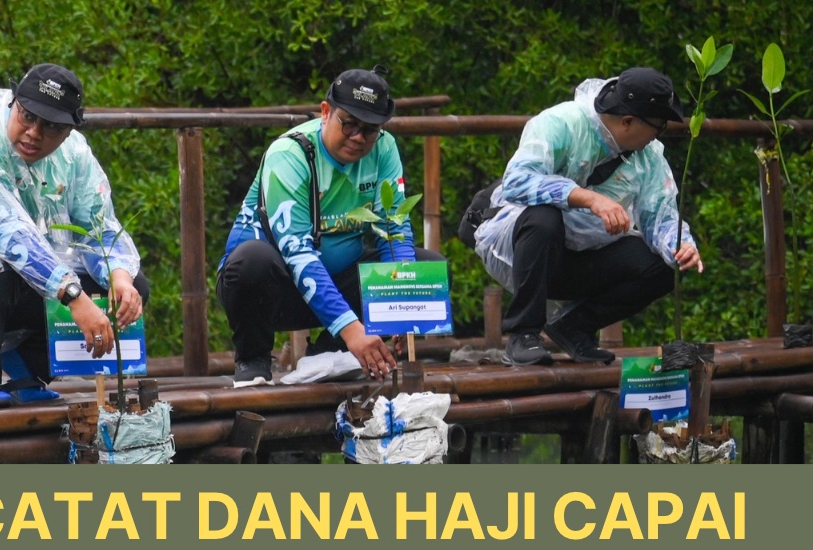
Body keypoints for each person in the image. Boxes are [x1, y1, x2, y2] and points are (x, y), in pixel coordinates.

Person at [0, 63, 148, 410]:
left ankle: (28, 374)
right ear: (13, 104)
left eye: (50, 126)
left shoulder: (75, 153)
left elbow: (99, 225)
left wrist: (120, 277)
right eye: (27, 116)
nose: (33, 132)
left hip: (27, 279)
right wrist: (74, 296)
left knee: (131, 285)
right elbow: (6, 231)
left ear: (68, 131)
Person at [217, 66, 445, 387]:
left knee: (426, 267)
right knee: (251, 259)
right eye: (349, 123)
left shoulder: (384, 147)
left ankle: (330, 352)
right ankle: (253, 358)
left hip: (340, 283)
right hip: (274, 290)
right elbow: (297, 254)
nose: (358, 137)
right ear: (326, 112)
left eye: (370, 129)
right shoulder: (290, 154)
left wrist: (397, 308)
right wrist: (353, 329)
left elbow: (393, 229)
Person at [470, 67, 704, 366]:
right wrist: (588, 198)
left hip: (582, 259)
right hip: (523, 251)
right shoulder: (561, 123)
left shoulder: (649, 156)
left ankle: (575, 327)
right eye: (658, 126)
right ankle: (523, 334)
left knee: (660, 263)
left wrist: (679, 245)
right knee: (544, 218)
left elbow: (660, 216)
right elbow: (517, 181)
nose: (659, 135)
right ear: (629, 121)